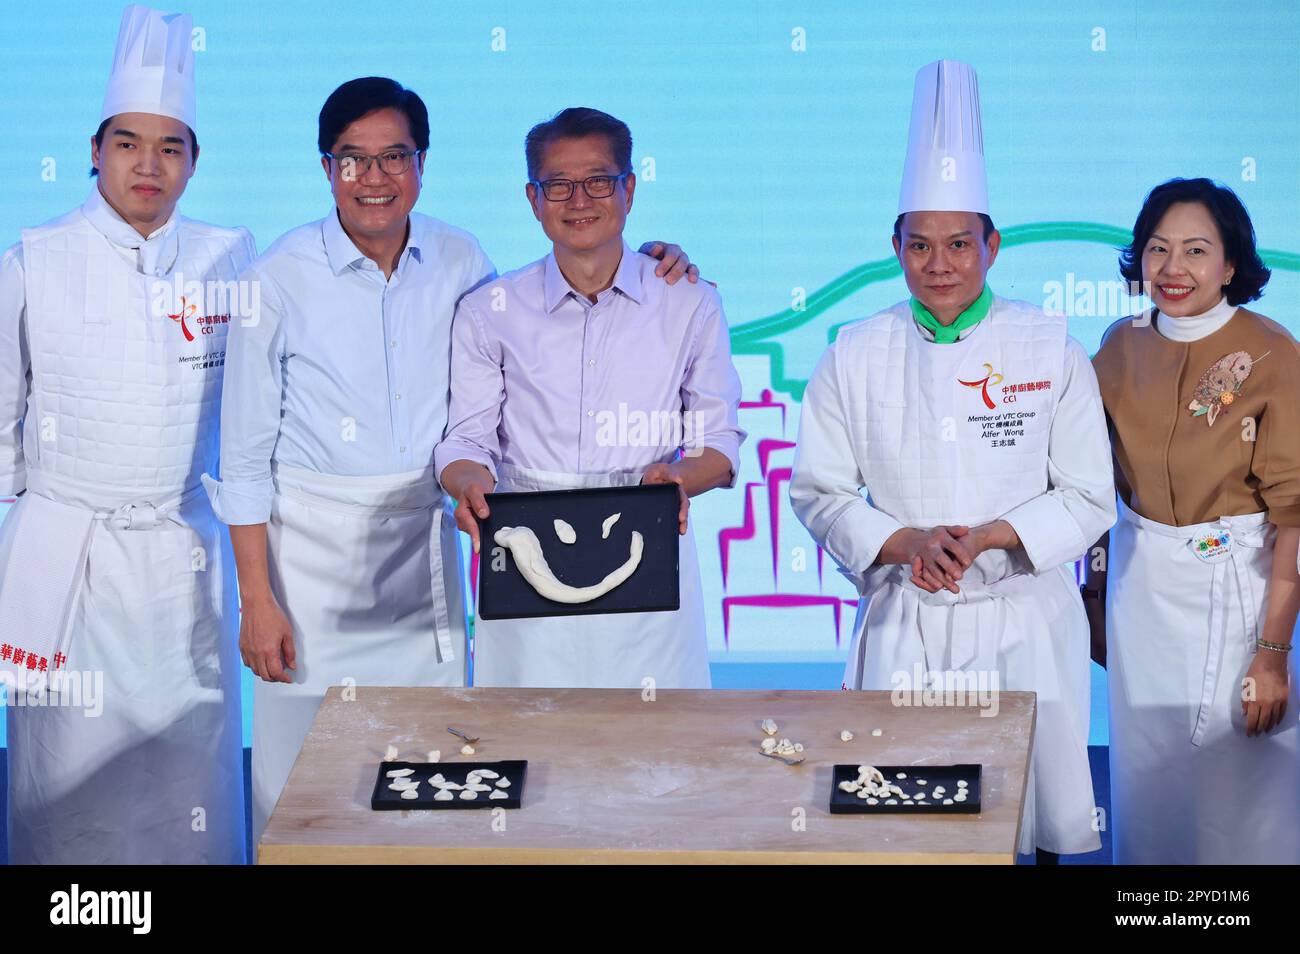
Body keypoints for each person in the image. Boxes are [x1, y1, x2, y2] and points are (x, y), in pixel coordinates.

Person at [205, 82, 701, 842]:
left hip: (423, 563)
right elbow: (239, 457)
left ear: (422, 164)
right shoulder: (275, 280)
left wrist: (657, 261)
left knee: (425, 793)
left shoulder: (461, 259)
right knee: (304, 799)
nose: (374, 179)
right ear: (325, 166)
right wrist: (256, 601)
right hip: (305, 575)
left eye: (393, 157)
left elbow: (548, 322)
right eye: (354, 160)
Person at [788, 60, 1115, 860]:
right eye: (921, 245)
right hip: (907, 622)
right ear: (894, 246)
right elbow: (819, 491)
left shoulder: (1048, 345)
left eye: (960, 244)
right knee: (906, 829)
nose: (940, 264)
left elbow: (1087, 497)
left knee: (1029, 826)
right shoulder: (853, 352)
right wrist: (906, 544)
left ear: (992, 246)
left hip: (1024, 626)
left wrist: (992, 535)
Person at [0, 5, 252, 863]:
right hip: (71, 564)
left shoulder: (231, 259)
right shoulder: (35, 258)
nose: (149, 165)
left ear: (192, 161)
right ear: (95, 151)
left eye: (170, 146)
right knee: (68, 791)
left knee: (190, 786)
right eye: (128, 144)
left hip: (187, 558)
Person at [436, 107, 744, 688]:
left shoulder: (688, 302)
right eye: (558, 185)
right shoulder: (490, 310)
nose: (579, 200)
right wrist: (467, 483)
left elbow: (718, 442)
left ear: (628, 188)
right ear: (533, 198)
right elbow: (466, 439)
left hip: (647, 545)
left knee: (655, 757)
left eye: (599, 181)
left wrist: (678, 477)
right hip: (525, 554)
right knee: (527, 747)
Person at [1088, 177, 1300, 864]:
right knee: (1150, 788)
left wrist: (1273, 654)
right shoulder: (1118, 347)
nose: (1173, 269)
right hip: (1140, 589)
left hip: (1241, 588)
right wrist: (1093, 600)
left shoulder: (1272, 351)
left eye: (1196, 251)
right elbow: (1090, 486)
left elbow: (1294, 516)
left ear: (1231, 264)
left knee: (1244, 794)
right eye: (1157, 249)